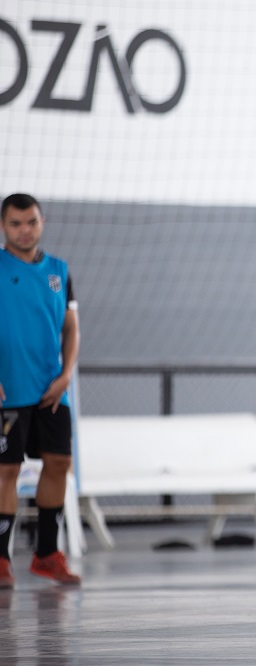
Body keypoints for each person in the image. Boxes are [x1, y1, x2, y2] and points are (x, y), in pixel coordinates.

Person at [0, 193, 82, 588]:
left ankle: (47, 555)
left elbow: (71, 328)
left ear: (42, 221)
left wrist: (66, 375)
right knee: (6, 470)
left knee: (59, 464)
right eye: (15, 223)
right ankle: (1, 560)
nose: (24, 230)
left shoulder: (59, 271)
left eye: (30, 222)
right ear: (3, 226)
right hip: (8, 392)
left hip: (51, 389)